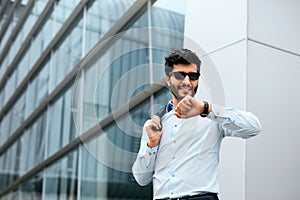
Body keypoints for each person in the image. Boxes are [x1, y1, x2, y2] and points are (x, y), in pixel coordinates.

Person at [132, 49, 261, 200]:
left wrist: (206, 109)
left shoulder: (212, 116)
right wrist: (152, 145)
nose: (187, 82)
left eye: (193, 76)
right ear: (168, 79)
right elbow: (141, 179)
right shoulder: (155, 124)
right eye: (180, 75)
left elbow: (254, 127)